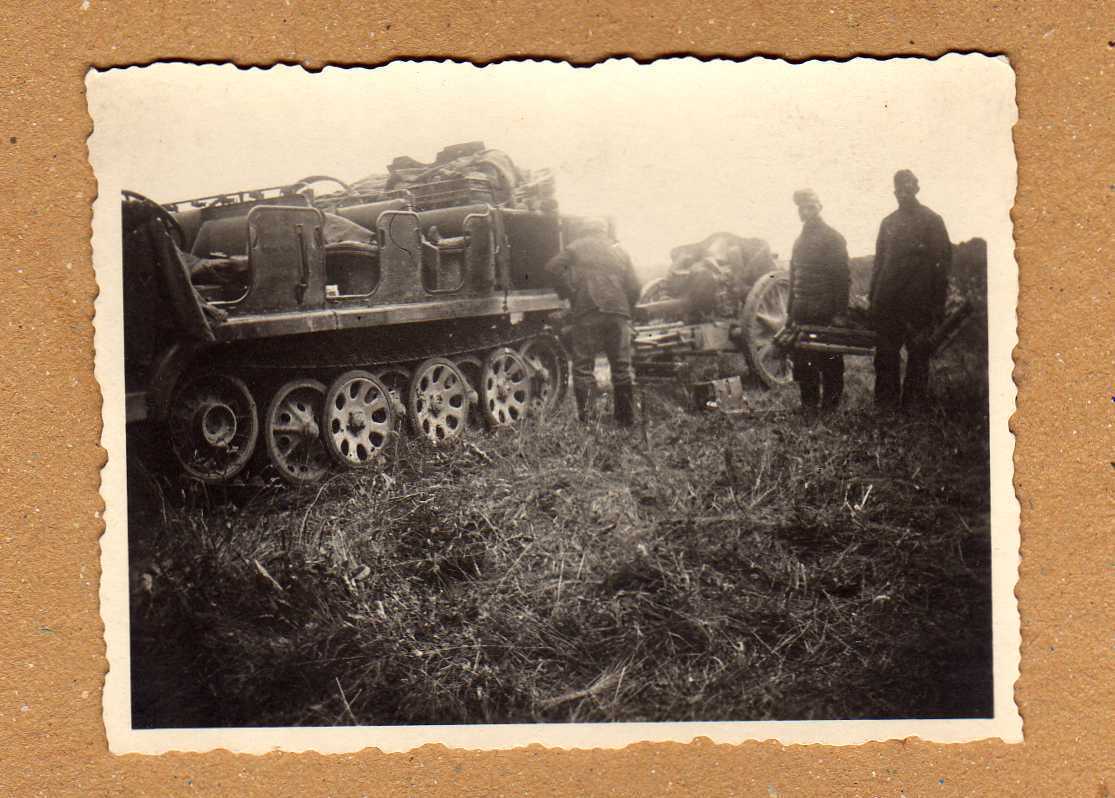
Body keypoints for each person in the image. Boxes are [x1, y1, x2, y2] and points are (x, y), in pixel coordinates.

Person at [544, 219, 641, 426]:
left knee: (583, 367)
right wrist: (626, 308)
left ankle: (589, 422)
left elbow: (552, 267)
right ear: (604, 232)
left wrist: (569, 293)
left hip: (588, 310)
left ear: (583, 231)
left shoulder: (576, 247)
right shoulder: (619, 251)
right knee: (622, 368)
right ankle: (626, 420)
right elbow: (635, 286)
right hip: (619, 313)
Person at [869, 170, 952, 410]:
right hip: (887, 303)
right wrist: (874, 300)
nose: (903, 193)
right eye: (899, 189)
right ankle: (886, 407)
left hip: (918, 304)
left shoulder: (932, 221)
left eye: (908, 187)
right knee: (885, 355)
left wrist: (938, 305)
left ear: (916, 188)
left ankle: (912, 408)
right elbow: (879, 265)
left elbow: (942, 265)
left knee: (918, 356)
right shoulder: (888, 223)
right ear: (895, 192)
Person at [787, 188, 850, 413]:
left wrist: (840, 314)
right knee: (804, 361)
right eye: (802, 208)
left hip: (825, 310)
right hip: (802, 311)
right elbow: (794, 278)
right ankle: (809, 405)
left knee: (830, 359)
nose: (806, 211)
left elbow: (843, 279)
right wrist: (789, 314)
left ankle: (830, 406)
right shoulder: (798, 241)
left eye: (811, 206)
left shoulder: (833, 238)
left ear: (820, 207)